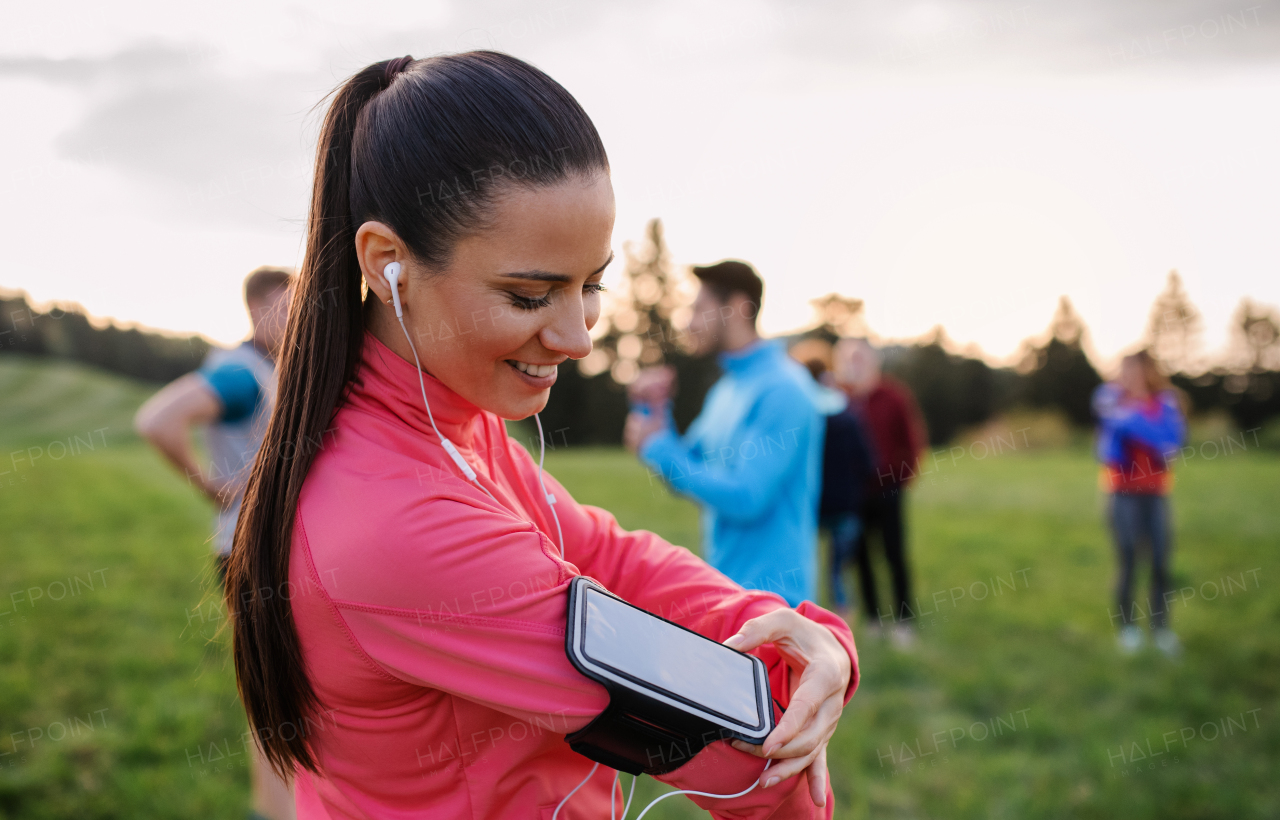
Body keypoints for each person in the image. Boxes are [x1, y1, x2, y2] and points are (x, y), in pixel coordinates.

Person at [226, 53, 857, 820]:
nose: (577, 336)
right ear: (388, 265)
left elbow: (607, 553)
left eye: (590, 285)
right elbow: (742, 760)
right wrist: (804, 686)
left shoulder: (442, 418)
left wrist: (806, 638)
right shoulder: (398, 518)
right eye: (529, 295)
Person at [134, 265, 295, 820]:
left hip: (269, 549)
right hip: (252, 552)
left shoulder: (271, 367)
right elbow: (158, 420)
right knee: (275, 700)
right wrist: (210, 485)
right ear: (254, 310)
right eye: (284, 307)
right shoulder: (241, 374)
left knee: (285, 693)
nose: (295, 318)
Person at [624, 260, 836, 607]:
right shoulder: (726, 388)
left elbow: (747, 497)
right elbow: (687, 465)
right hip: (727, 592)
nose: (689, 322)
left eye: (699, 309)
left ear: (737, 308)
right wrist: (653, 408)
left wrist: (658, 447)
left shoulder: (784, 389)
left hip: (777, 605)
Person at [1093, 349, 1186, 657]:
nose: (1129, 376)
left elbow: (1172, 442)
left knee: (1160, 562)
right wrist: (1148, 429)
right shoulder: (1110, 401)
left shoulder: (1164, 402)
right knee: (1128, 560)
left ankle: (1161, 629)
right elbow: (1106, 451)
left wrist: (1130, 422)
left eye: (1135, 370)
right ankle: (1127, 629)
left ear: (1149, 371)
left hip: (1156, 493)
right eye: (1125, 370)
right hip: (1122, 493)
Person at [842, 339, 926, 647]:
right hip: (855, 495)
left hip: (889, 491)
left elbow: (912, 440)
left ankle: (904, 620)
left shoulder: (893, 396)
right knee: (860, 558)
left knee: (894, 555)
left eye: (859, 358)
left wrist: (901, 478)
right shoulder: (841, 398)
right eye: (848, 359)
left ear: (872, 361)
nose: (854, 364)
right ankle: (873, 619)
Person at [806, 346, 876, 624]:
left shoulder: (805, 419)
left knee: (807, 565)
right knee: (837, 571)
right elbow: (868, 464)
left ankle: (805, 620)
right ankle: (840, 626)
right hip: (846, 506)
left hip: (813, 506)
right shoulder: (850, 418)